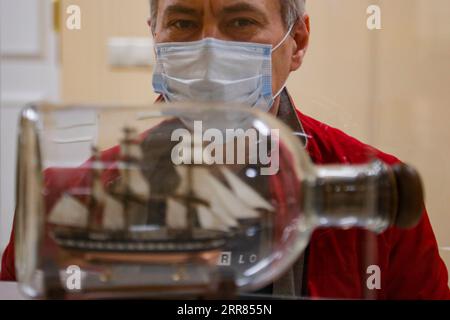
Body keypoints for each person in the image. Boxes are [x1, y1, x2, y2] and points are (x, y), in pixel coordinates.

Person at [1, 0, 449, 299]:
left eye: (241, 21)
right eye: (183, 22)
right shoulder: (67, 197)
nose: (209, 47)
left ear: (298, 42)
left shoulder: (378, 194)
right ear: (154, 37)